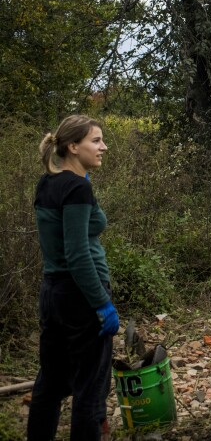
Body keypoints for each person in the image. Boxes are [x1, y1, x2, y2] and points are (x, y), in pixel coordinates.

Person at [28, 115, 119, 440]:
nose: (103, 147)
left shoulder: (47, 182)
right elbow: (78, 254)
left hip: (52, 293)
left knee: (50, 384)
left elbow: (66, 236)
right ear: (72, 146)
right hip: (81, 296)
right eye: (96, 140)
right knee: (90, 391)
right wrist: (102, 304)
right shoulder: (77, 188)